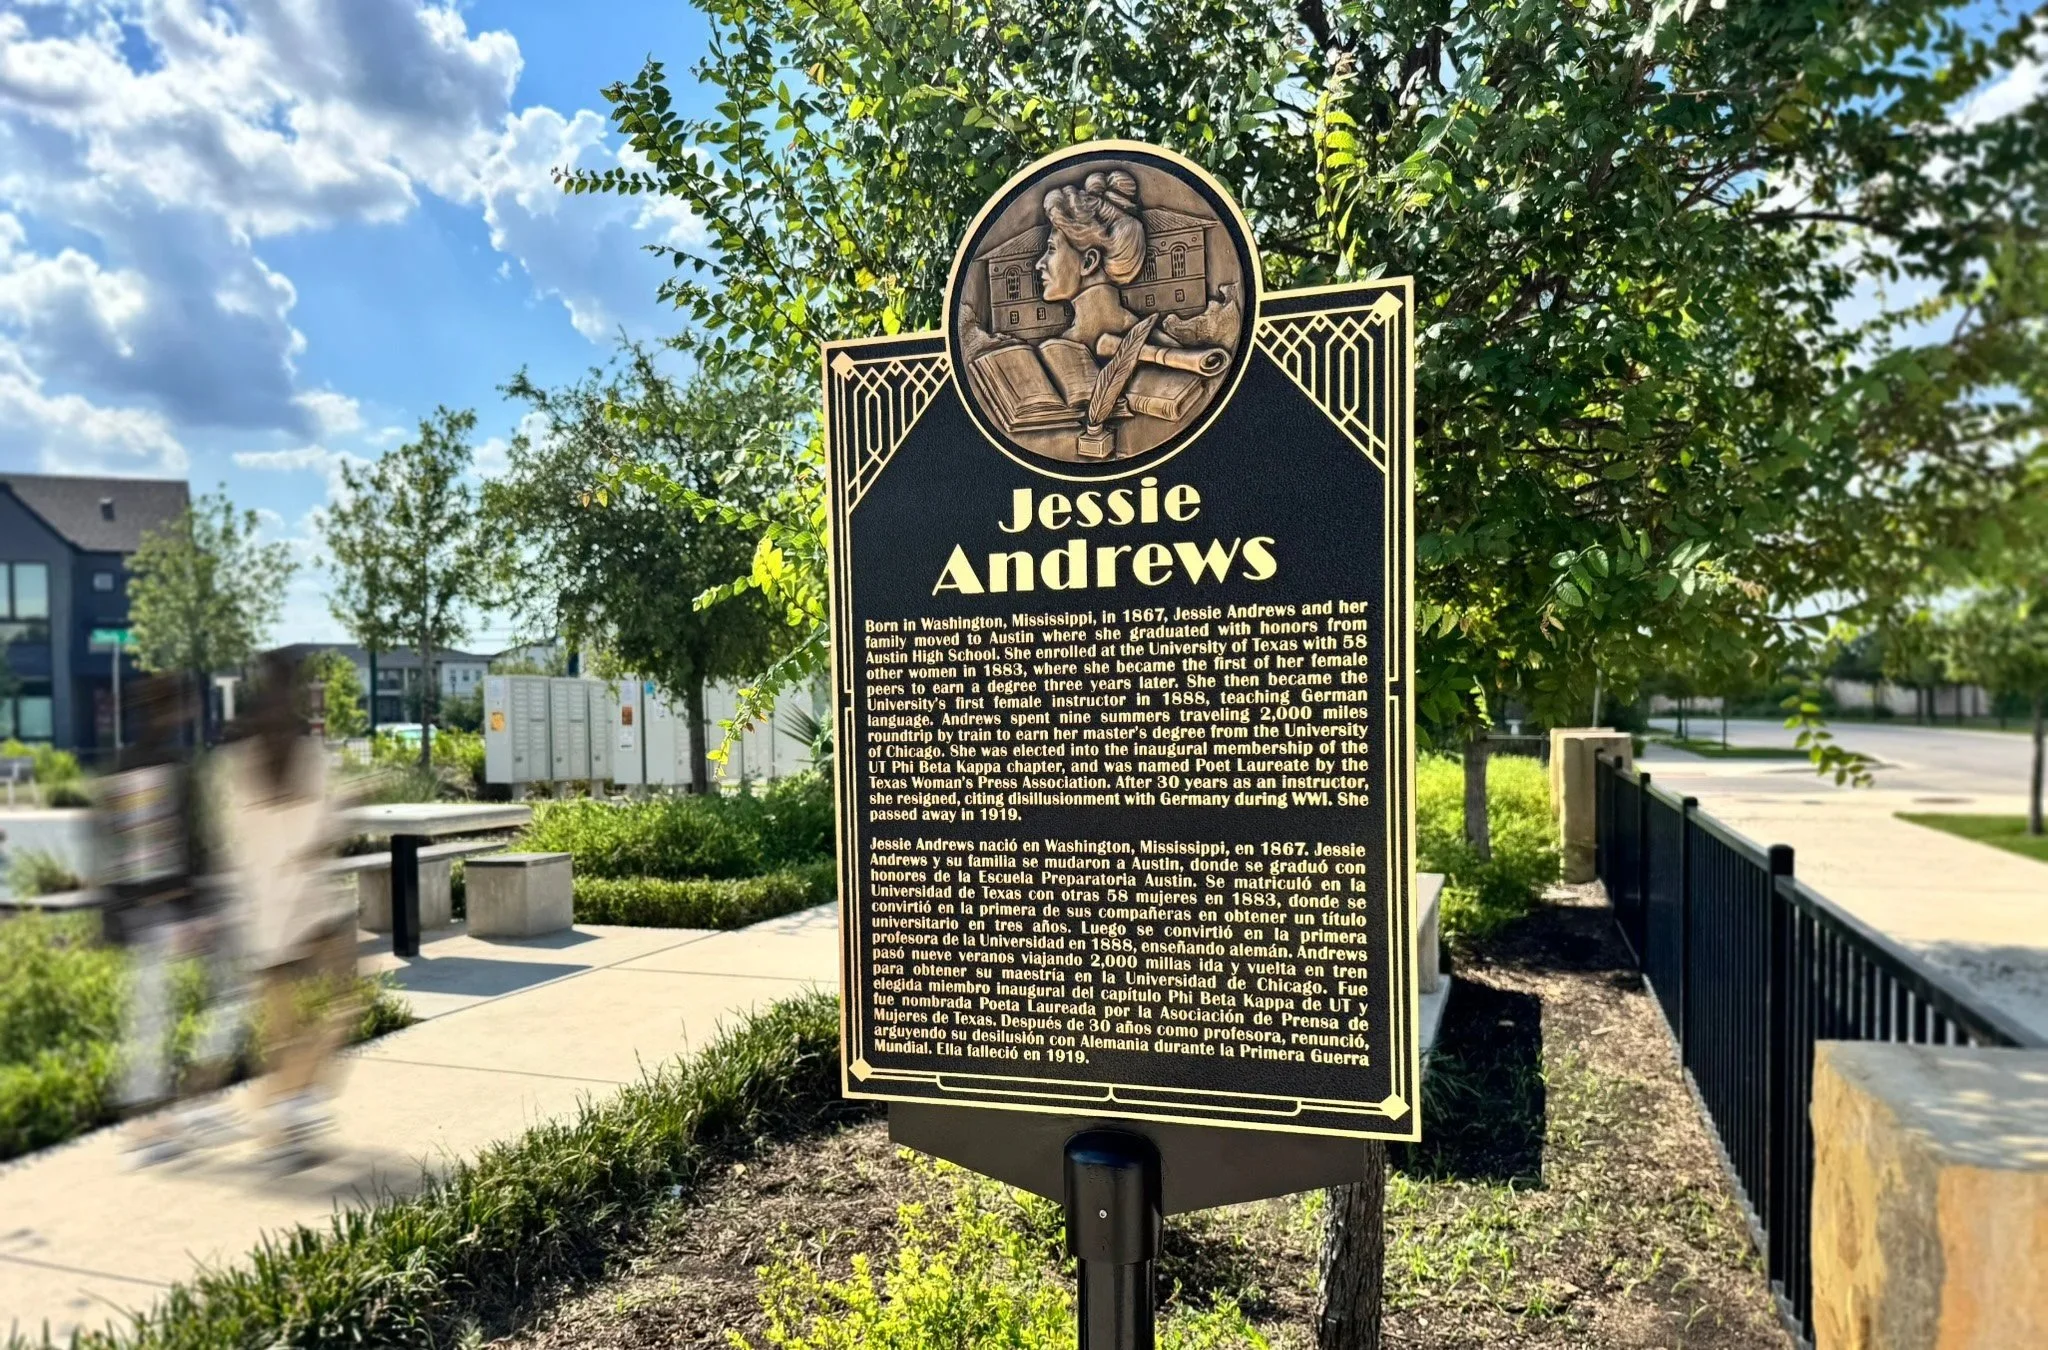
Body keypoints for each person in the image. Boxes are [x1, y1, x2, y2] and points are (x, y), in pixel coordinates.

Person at [215, 653, 356, 1165]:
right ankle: (291, 1108)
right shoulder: (299, 755)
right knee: (334, 1004)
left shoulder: (246, 759)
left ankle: (291, 1105)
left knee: (300, 1018)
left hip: (281, 911)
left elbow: (237, 842)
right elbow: (320, 835)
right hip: (287, 910)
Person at [100, 674, 242, 1165]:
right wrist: (196, 906)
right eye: (177, 706)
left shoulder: (126, 766)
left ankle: (167, 1119)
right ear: (165, 712)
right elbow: (175, 849)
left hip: (151, 912)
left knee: (154, 1016)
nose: (183, 714)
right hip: (168, 911)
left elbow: (115, 851)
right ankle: (170, 1119)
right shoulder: (167, 767)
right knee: (219, 997)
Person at [1035, 169, 1150, 352]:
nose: (1039, 263)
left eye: (1051, 249)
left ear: (1088, 262)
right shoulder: (1159, 341)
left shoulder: (1057, 353)